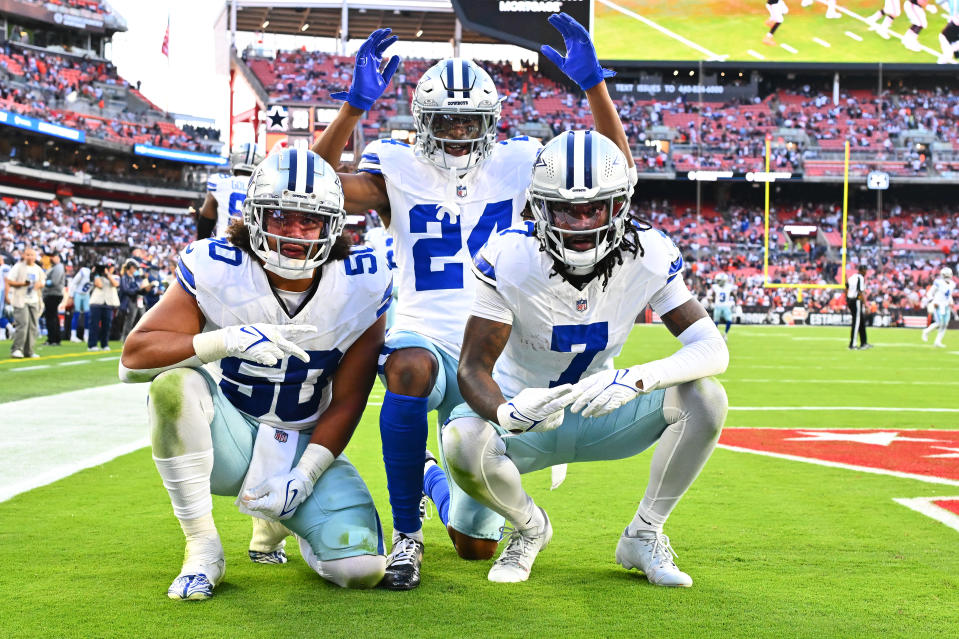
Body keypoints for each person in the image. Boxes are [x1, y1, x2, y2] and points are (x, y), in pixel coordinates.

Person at [313, 14, 628, 589]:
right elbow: (313, 185)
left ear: (491, 122)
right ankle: (407, 537)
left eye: (469, 120)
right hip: (422, 331)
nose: (458, 131)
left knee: (475, 546)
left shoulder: (518, 162)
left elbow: (613, 175)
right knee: (409, 369)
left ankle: (431, 475)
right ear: (422, 121)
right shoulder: (395, 164)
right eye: (446, 119)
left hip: (493, 347)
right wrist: (353, 109)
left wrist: (594, 87)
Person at [443, 130, 729, 586]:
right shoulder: (510, 256)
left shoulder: (649, 253)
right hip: (528, 417)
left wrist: (638, 380)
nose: (580, 224)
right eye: (565, 210)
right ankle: (530, 529)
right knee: (461, 442)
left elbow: (713, 349)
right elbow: (472, 368)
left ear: (619, 204)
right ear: (540, 206)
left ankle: (644, 533)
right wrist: (507, 411)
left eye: (594, 208)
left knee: (706, 399)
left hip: (602, 408)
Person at [119, 148, 392, 600]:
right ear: (253, 215)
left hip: (305, 441)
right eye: (281, 216)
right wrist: (223, 341)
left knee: (360, 569)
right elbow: (133, 359)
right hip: (233, 439)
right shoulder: (220, 268)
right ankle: (203, 547)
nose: (295, 232)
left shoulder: (361, 282)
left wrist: (306, 475)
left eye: (310, 220)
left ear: (334, 225)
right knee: (173, 386)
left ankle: (284, 520)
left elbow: (349, 399)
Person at [198, 144, 263, 240]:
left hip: (224, 245)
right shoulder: (265, 188)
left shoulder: (220, 181)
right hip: (253, 250)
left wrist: (201, 244)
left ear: (235, 160)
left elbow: (206, 217)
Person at [6, 247, 45, 358]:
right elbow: (9, 281)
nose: (30, 257)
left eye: (32, 255)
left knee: (33, 326)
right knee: (22, 324)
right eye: (28, 255)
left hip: (34, 299)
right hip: (20, 299)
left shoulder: (37, 268)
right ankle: (17, 349)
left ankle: (29, 350)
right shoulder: (18, 267)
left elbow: (43, 281)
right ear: (23, 255)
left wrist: (40, 284)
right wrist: (22, 284)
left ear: (35, 256)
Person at [88, 260, 120, 352]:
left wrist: (107, 274)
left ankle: (104, 344)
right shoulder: (97, 276)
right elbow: (99, 285)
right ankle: (92, 345)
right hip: (97, 302)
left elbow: (115, 284)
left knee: (107, 325)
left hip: (109, 303)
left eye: (110, 267)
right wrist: (96, 273)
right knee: (94, 324)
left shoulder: (115, 276)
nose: (109, 269)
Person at [921, 266, 957, 347]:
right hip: (938, 304)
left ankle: (937, 341)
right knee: (939, 323)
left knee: (945, 324)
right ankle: (926, 332)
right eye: (946, 275)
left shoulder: (952, 284)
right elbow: (929, 293)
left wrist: (951, 302)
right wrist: (932, 301)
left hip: (946, 305)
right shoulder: (938, 282)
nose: (947, 277)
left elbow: (948, 295)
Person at [118, 259, 148, 342]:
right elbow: (126, 290)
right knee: (130, 320)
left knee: (142, 319)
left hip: (139, 300)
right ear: (130, 268)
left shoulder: (135, 278)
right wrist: (138, 289)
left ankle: (139, 339)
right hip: (130, 301)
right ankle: (125, 338)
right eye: (134, 268)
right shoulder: (124, 278)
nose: (136, 270)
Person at [42, 252, 66, 346]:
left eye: (53, 257)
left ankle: (53, 339)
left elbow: (54, 282)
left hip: (53, 294)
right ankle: (55, 338)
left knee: (51, 317)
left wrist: (43, 282)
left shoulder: (58, 267)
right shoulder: (54, 267)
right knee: (53, 317)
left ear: (58, 257)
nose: (51, 258)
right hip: (52, 294)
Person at [846, 263, 872, 350]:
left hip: (851, 299)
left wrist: (848, 297)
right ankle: (852, 344)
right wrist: (866, 305)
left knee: (861, 322)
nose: (866, 273)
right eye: (865, 271)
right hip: (856, 300)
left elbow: (846, 286)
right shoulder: (860, 278)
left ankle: (863, 342)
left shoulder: (852, 277)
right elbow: (860, 292)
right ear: (861, 271)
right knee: (856, 323)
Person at [68, 264, 92, 342]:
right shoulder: (84, 272)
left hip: (86, 294)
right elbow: (74, 282)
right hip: (78, 293)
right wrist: (71, 296)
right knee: (76, 314)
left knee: (87, 315)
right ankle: (73, 335)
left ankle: (86, 335)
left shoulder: (98, 275)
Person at [709, 272, 736, 341]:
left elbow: (733, 294)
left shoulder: (729, 287)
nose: (717, 282)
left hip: (726, 306)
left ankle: (725, 334)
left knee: (729, 321)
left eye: (719, 280)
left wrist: (734, 301)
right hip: (717, 306)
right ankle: (715, 336)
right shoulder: (715, 287)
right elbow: (712, 295)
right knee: (715, 323)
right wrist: (711, 302)